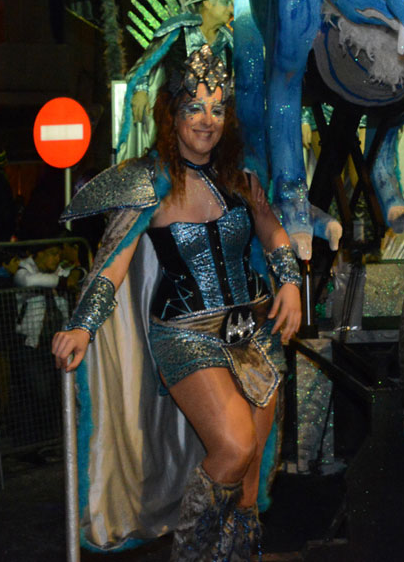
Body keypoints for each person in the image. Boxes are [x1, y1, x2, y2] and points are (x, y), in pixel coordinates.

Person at [50, 42, 302, 560]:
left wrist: (290, 281)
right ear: (174, 112)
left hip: (252, 331)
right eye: (195, 107)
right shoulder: (149, 181)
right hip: (186, 333)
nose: (207, 120)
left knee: (251, 479)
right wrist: (83, 325)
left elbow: (272, 229)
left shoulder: (240, 176)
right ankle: (189, 553)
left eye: (217, 108)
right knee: (233, 447)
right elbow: (115, 260)